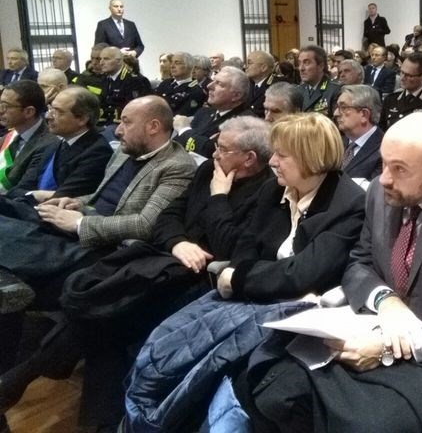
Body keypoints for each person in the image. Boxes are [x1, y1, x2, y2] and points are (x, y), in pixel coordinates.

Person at [243, 112, 422, 432]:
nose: (385, 178)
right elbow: (359, 262)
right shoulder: (380, 191)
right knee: (271, 383)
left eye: (399, 169)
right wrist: (385, 300)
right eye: (384, 163)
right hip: (370, 326)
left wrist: (396, 344)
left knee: (367, 424)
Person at [0, 116, 272, 429]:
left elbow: (230, 246)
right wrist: (179, 242)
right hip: (163, 260)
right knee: (104, 312)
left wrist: (219, 197)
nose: (214, 153)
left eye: (222, 148)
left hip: (200, 278)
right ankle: (85, 416)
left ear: (249, 158)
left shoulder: (264, 192)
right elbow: (168, 217)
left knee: (108, 313)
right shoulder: (209, 170)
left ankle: (25, 379)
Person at [123, 113, 366, 432]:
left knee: (210, 379)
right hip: (249, 297)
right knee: (164, 344)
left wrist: (238, 278)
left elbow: (303, 274)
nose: (273, 162)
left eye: (282, 155)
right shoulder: (272, 190)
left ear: (311, 158)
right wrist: (250, 274)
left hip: (295, 314)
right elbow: (244, 250)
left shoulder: (349, 203)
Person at [4, 86, 111, 202]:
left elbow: (63, 198)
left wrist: (31, 195)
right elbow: (18, 189)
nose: (48, 116)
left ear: (82, 119)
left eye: (57, 112)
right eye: (50, 109)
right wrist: (36, 194)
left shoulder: (97, 152)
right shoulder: (55, 143)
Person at [174, 66, 254, 158]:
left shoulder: (245, 122)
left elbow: (210, 151)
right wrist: (200, 141)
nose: (209, 86)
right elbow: (176, 144)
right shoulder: (204, 112)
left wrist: (184, 130)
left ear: (236, 95)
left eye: (219, 84)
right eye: (213, 81)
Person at [0, 80, 58, 194]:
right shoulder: (12, 134)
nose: (1, 111)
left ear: (29, 112)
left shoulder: (48, 144)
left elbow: (24, 188)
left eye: (5, 106)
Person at [334, 84, 383, 181]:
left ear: (364, 114)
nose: (336, 113)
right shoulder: (336, 142)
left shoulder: (384, 150)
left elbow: (372, 189)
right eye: (337, 107)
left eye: (343, 108)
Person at [98, 46, 152, 128]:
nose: (101, 62)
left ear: (118, 61)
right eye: (100, 59)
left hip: (125, 125)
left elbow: (137, 109)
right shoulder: (104, 79)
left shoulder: (134, 80)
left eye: (106, 59)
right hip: (104, 123)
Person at [380, 52, 422, 130]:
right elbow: (382, 129)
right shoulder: (391, 100)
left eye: (409, 75)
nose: (402, 78)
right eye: (402, 72)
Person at [154, 51, 207, 117]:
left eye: (177, 63)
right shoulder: (166, 83)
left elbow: (182, 115)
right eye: (172, 62)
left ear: (189, 67)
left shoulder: (196, 91)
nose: (172, 66)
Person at [298, 45, 341, 117]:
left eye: (306, 63)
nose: (301, 68)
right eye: (299, 63)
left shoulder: (335, 90)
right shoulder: (298, 90)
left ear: (321, 66)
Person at [245, 51, 276, 118]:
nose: (245, 66)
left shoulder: (276, 86)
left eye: (249, 63)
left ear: (263, 68)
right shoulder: (246, 84)